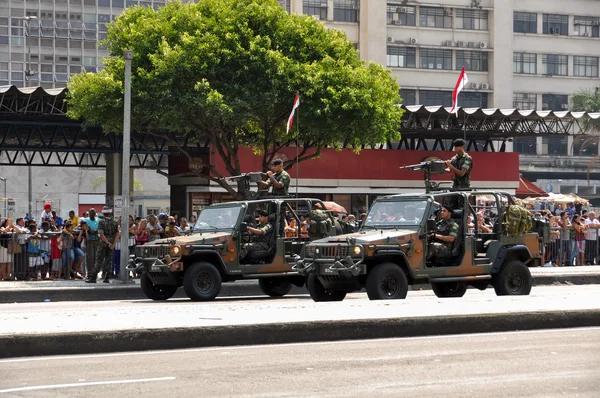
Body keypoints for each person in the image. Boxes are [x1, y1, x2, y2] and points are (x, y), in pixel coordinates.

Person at [89, 206, 119, 283]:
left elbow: (101, 234)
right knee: (109, 260)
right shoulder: (115, 222)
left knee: (99, 260)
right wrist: (113, 244)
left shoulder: (101, 222)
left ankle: (93, 278)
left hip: (103, 243)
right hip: (112, 243)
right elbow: (117, 234)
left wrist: (107, 243)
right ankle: (107, 278)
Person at [84, 208, 100, 281]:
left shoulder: (98, 220)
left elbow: (99, 229)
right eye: (90, 214)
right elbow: (86, 228)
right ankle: (89, 274)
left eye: (93, 214)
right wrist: (91, 231)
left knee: (96, 258)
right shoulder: (86, 220)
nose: (92, 215)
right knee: (90, 257)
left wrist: (94, 231)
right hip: (89, 241)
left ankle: (95, 274)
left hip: (97, 240)